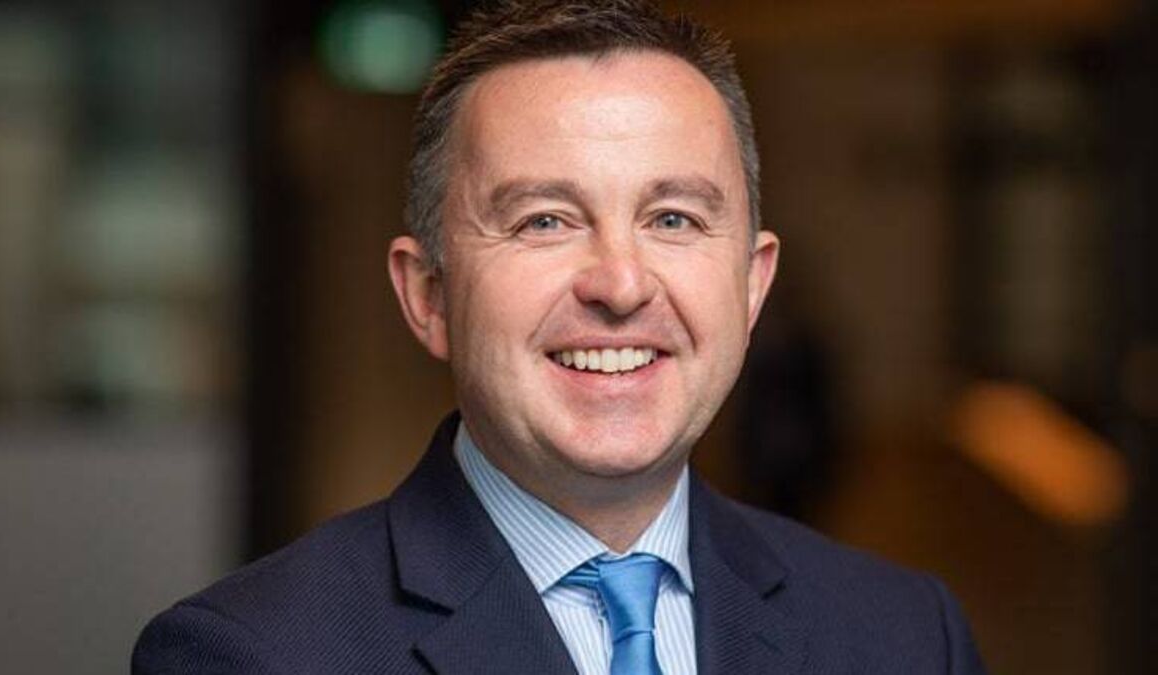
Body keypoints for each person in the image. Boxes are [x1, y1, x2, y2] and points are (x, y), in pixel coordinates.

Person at [133, 1, 987, 673]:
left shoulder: (908, 636)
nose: (620, 283)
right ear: (428, 296)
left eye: (673, 218)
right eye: (544, 220)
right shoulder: (255, 654)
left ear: (753, 283)